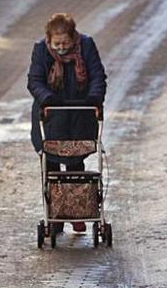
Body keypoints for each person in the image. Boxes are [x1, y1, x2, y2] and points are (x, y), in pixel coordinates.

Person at [28, 13, 107, 233]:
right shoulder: (41, 50)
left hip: (79, 111)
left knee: (74, 162)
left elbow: (98, 76)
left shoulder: (87, 46)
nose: (61, 47)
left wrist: (94, 98)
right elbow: (34, 80)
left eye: (66, 43)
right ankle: (55, 217)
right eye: (57, 43)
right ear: (49, 39)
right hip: (51, 114)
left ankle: (76, 210)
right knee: (51, 165)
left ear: (74, 38)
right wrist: (46, 97)